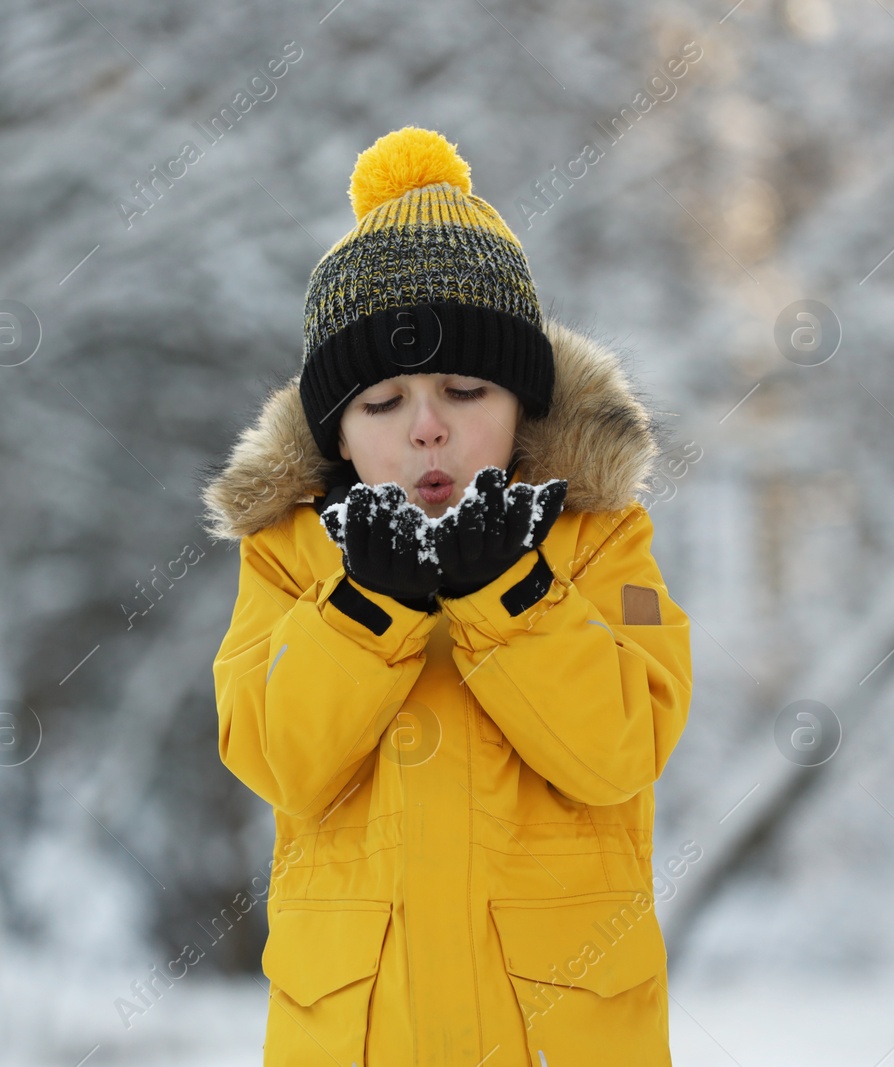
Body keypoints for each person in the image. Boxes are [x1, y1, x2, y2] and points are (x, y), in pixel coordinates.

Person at [199, 126, 694, 1066]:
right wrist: (362, 609)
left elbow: (627, 745)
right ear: (338, 433)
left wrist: (514, 597)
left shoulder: (603, 542)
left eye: (465, 389)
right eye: (383, 404)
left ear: (523, 403)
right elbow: (280, 759)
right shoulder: (289, 558)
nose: (427, 429)